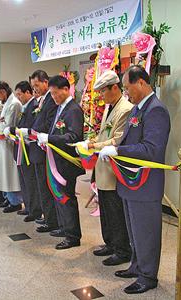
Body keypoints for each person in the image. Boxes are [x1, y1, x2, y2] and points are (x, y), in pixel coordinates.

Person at [98, 65, 170, 294]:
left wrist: (118, 151)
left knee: (146, 231)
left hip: (146, 185)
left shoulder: (156, 110)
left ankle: (148, 277)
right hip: (131, 183)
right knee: (135, 232)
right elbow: (128, 138)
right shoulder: (139, 108)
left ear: (141, 82)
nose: (126, 92)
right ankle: (137, 266)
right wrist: (114, 147)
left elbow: (151, 149)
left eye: (128, 87)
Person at [77, 70, 133, 265]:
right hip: (102, 168)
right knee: (106, 210)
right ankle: (109, 243)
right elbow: (104, 136)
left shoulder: (125, 109)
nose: (100, 97)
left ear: (115, 87)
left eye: (103, 92)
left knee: (115, 210)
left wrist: (93, 146)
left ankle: (122, 249)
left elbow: (117, 140)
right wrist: (92, 141)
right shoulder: (110, 107)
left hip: (113, 170)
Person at [37, 75, 85, 250]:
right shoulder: (61, 108)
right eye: (52, 94)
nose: (54, 97)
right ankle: (65, 228)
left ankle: (73, 236)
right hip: (56, 161)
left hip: (66, 162)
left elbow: (73, 136)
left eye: (56, 93)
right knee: (59, 196)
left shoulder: (72, 110)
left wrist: (49, 138)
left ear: (66, 89)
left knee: (67, 198)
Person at [20, 70, 59, 233]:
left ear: (45, 82)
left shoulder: (51, 99)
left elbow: (48, 123)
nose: (34, 89)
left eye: (36, 85)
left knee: (45, 187)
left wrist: (31, 132)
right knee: (41, 186)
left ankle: (52, 220)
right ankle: (48, 218)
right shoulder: (41, 100)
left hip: (43, 150)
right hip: (36, 147)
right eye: (32, 86)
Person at [6, 80, 41, 221]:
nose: (18, 97)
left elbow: (31, 127)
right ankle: (27, 206)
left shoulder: (35, 106)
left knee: (30, 181)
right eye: (17, 95)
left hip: (29, 149)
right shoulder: (25, 107)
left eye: (20, 94)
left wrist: (17, 131)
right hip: (21, 148)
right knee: (24, 180)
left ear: (28, 92)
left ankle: (34, 210)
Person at [0, 81, 23, 213]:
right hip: (2, 143)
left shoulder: (14, 104)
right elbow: (0, 121)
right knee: (3, 171)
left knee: (10, 172)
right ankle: (8, 197)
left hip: (9, 144)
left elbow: (8, 126)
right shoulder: (6, 103)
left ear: (3, 92)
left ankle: (15, 201)